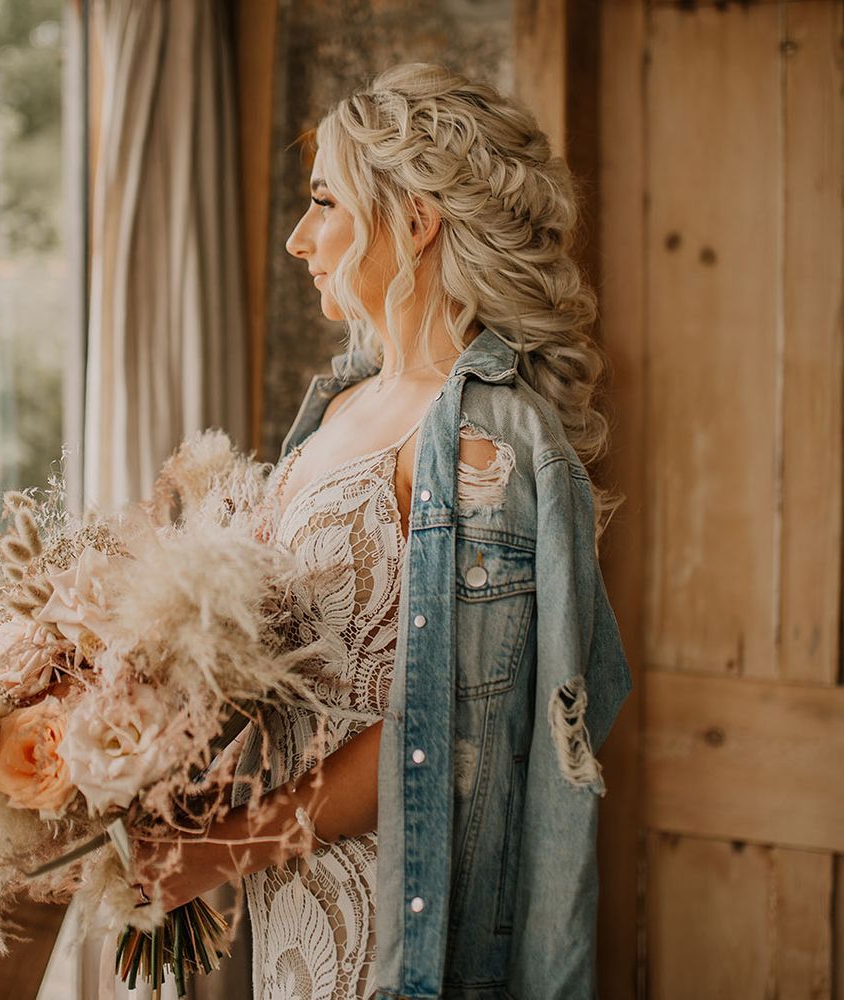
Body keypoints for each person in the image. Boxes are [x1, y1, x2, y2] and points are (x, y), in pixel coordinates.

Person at [125, 62, 632, 1000]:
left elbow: (447, 738)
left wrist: (222, 852)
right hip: (291, 911)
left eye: (324, 202)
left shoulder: (485, 442)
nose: (296, 238)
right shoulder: (339, 406)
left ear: (414, 219)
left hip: (398, 932)